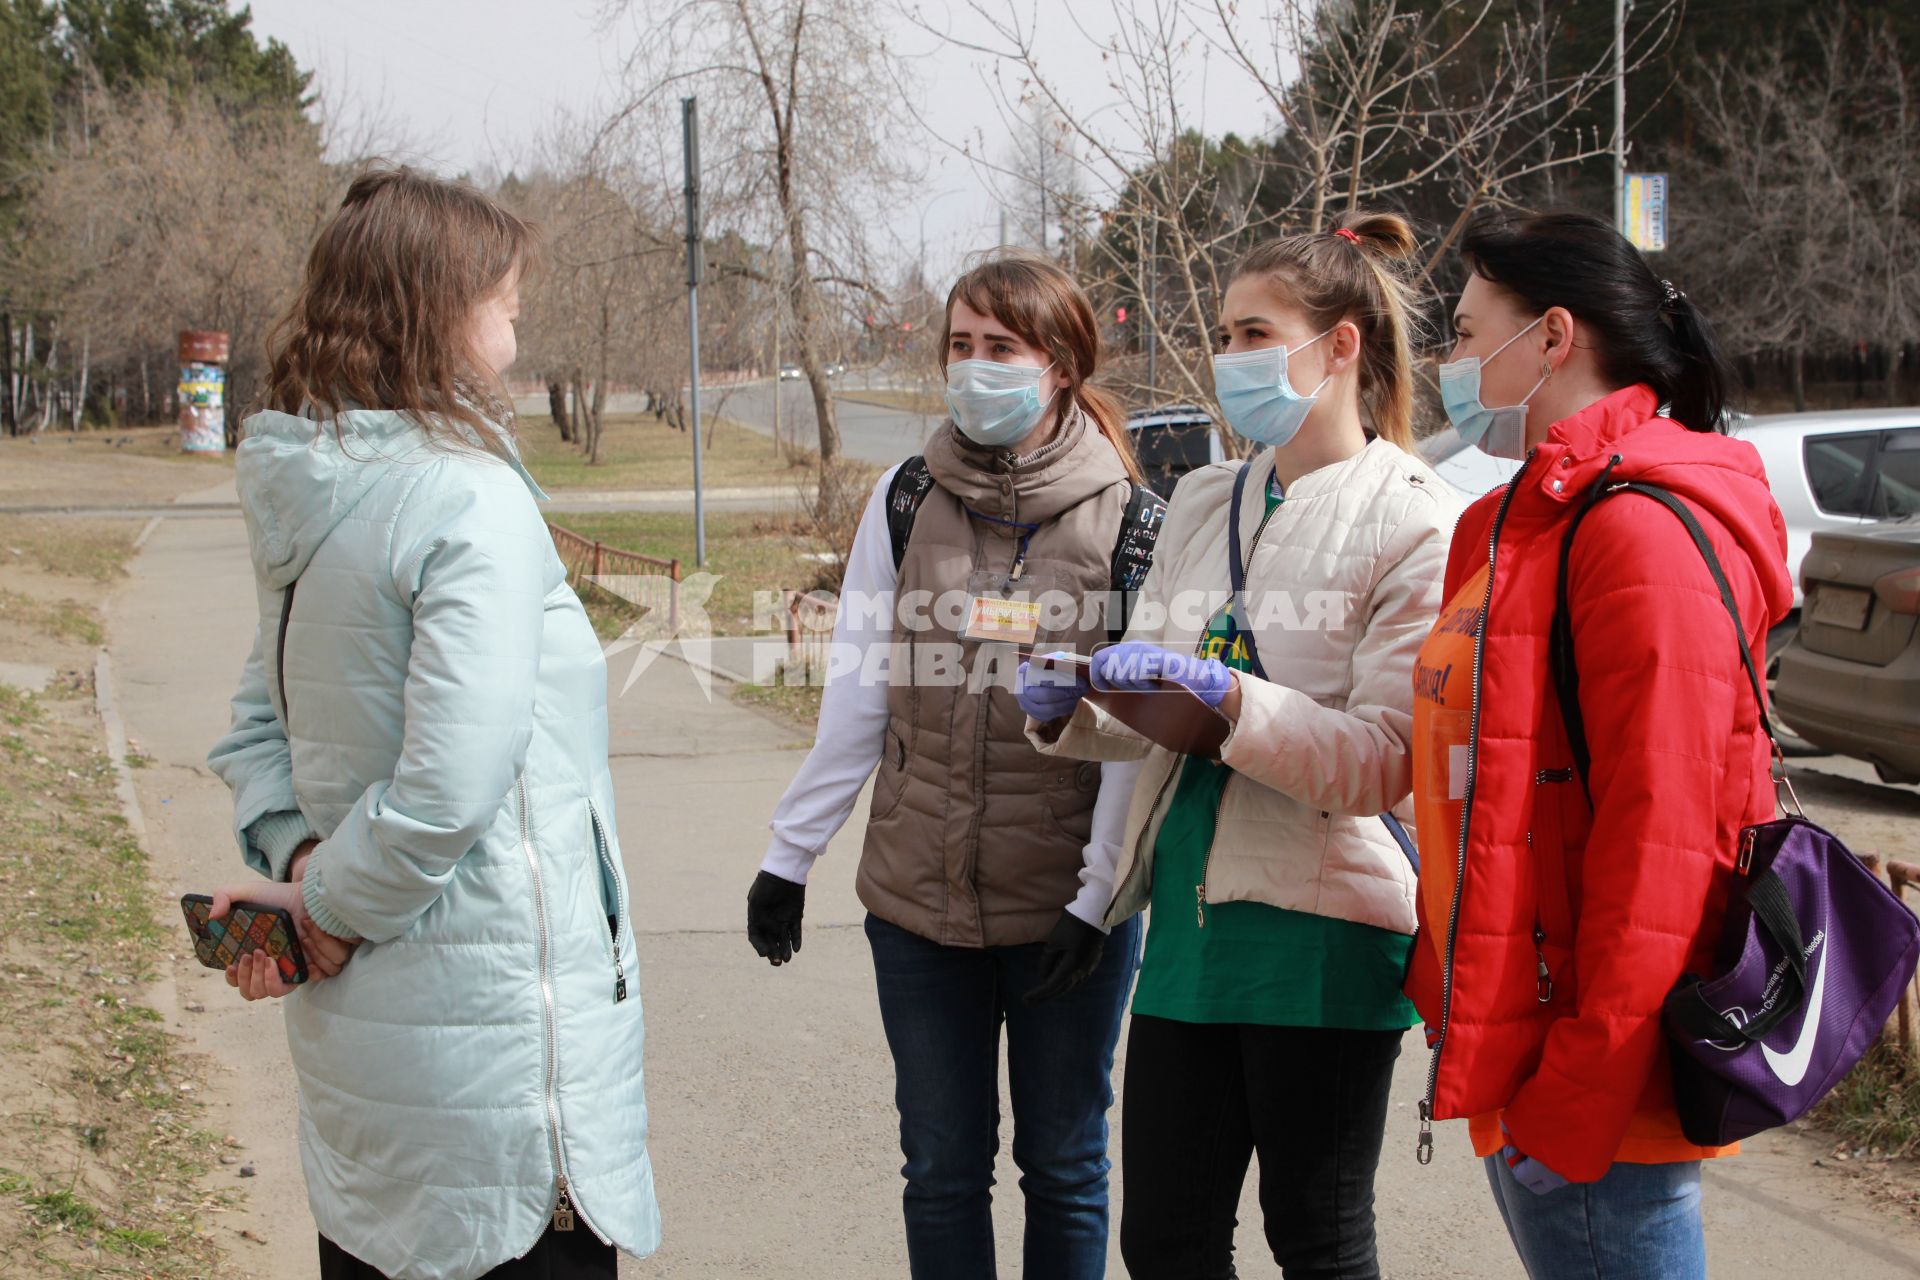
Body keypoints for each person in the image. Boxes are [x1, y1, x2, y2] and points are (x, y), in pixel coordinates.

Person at [204, 168, 660, 1280]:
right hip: (497, 1071)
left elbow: (253, 734)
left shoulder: (316, 484)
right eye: (505, 299)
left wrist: (303, 863)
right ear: (437, 309)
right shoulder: (469, 497)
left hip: (375, 1080)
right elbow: (453, 781)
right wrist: (325, 906)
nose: (519, 322)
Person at [1017, 211, 1458, 1280]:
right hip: (1189, 921)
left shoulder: (1417, 517)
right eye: (1225, 332)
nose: (1229, 358)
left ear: (1340, 344)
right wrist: (1072, 703)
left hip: (1325, 930)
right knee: (1164, 1238)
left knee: (1316, 1235)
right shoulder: (1204, 498)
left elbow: (1385, 760)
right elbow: (1148, 684)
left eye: (1254, 331)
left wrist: (1232, 705)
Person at [745, 249, 1156, 1280]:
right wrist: (789, 855)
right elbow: (857, 692)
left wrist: (1097, 894)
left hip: (1068, 909)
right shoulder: (905, 496)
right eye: (960, 346)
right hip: (917, 904)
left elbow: (1131, 738)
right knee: (938, 1167)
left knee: (1063, 1161)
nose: (975, 368)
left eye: (1001, 348)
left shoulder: (1130, 521)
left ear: (1058, 363)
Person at [1403, 208, 1793, 1279]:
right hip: (1529, 1034)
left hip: (1593, 1072)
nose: (1452, 359)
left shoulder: (1634, 531)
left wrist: (1578, 1085)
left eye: (1469, 329)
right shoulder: (1521, 520)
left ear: (1553, 337)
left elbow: (1664, 839)